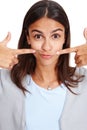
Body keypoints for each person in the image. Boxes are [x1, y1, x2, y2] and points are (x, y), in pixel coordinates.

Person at [0, 0, 87, 130]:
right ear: (28, 37)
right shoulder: (4, 81)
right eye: (38, 36)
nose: (47, 47)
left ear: (65, 37)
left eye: (55, 36)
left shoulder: (84, 82)